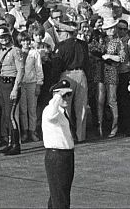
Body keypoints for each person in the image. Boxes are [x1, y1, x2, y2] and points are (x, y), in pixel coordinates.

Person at [0, 26, 24, 155]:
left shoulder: (16, 51)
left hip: (12, 84)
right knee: (6, 115)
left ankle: (16, 144)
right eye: (0, 37)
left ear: (9, 37)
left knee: (11, 116)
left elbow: (20, 70)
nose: (2, 39)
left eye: (4, 36)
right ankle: (10, 143)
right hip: (3, 85)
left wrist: (16, 88)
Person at [42, 79, 76, 209]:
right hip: (57, 157)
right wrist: (57, 96)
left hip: (67, 156)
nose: (67, 98)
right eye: (64, 95)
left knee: (60, 194)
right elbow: (51, 115)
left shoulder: (63, 111)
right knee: (60, 198)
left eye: (69, 94)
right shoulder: (50, 110)